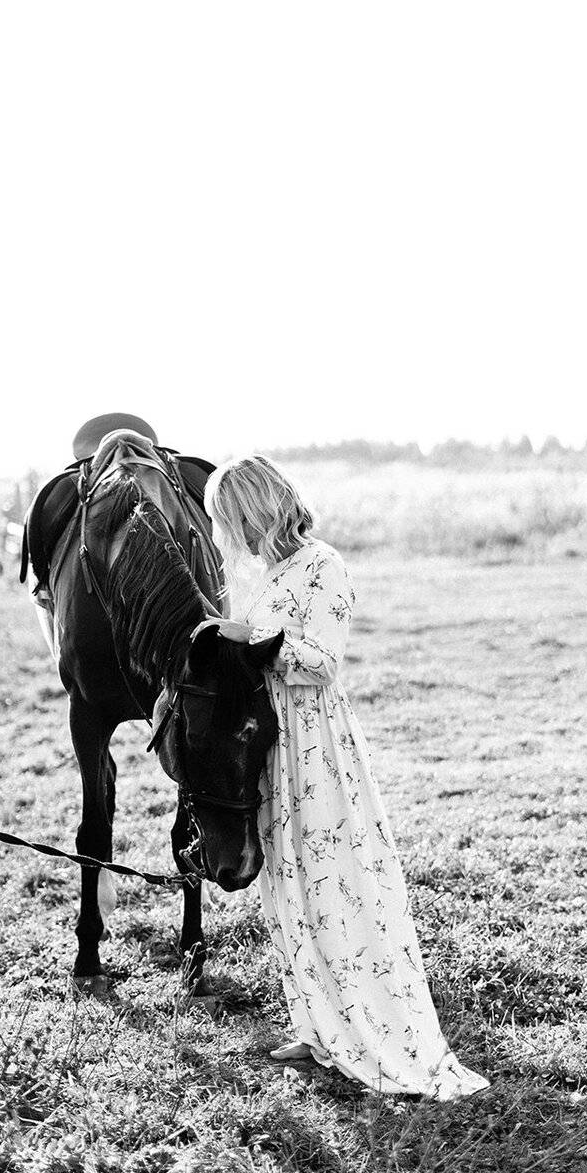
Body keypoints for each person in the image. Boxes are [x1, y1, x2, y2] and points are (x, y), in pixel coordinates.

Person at [203, 454, 488, 1102]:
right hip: (270, 746)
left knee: (334, 884)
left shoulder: (323, 565)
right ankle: (315, 1023)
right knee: (287, 887)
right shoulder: (265, 575)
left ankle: (370, 1026)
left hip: (315, 749)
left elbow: (323, 663)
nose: (227, 534)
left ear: (254, 511)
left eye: (229, 520)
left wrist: (258, 641)